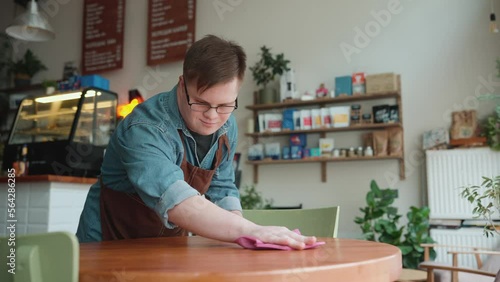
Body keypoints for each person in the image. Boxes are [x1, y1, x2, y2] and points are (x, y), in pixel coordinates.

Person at [76, 35, 316, 250]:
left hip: (167, 248)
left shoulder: (227, 125)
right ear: (182, 86)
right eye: (201, 103)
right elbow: (177, 201)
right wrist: (251, 229)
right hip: (108, 245)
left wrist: (244, 236)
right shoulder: (144, 127)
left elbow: (222, 187)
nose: (212, 116)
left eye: (224, 105)